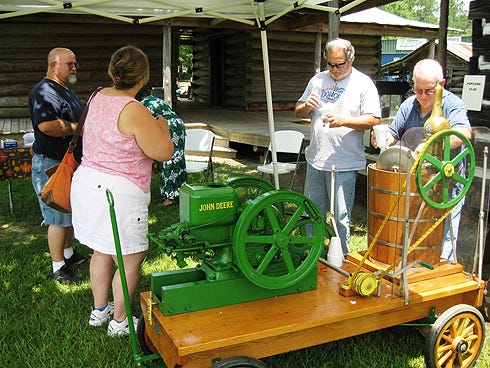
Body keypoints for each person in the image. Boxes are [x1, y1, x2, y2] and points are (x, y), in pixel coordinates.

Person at [70, 46, 173, 336]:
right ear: (142, 78)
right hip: (117, 192)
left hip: (88, 183)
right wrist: (162, 127)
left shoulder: (96, 96)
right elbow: (164, 152)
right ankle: (120, 321)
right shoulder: (134, 109)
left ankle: (99, 310)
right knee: (129, 259)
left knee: (101, 251)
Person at [372, 58, 472, 263]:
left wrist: (432, 145)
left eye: (429, 90)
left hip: (445, 185)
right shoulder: (409, 105)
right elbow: (393, 132)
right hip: (416, 184)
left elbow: (463, 134)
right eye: (418, 90)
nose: (423, 96)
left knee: (444, 235)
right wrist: (384, 138)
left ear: (441, 85)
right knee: (416, 231)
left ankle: (442, 270)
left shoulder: (452, 105)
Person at [295, 38, 381, 255]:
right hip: (316, 159)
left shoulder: (363, 83)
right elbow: (298, 110)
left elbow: (373, 119)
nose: (334, 69)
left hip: (344, 162)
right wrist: (306, 107)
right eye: (330, 64)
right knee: (310, 212)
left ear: (351, 60)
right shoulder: (317, 80)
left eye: (339, 64)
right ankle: (309, 255)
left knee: (340, 216)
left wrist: (345, 121)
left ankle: (341, 257)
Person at [29, 47, 90, 285]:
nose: (74, 67)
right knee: (57, 216)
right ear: (54, 65)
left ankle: (68, 254)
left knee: (67, 211)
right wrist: (78, 128)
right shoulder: (43, 91)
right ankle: (58, 267)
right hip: (50, 164)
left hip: (66, 162)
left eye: (75, 63)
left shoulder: (64, 89)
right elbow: (46, 126)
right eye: (70, 64)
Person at [140, 94, 187, 206]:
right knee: (178, 159)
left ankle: (170, 197)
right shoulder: (156, 100)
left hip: (169, 126)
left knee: (169, 161)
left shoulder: (141, 105)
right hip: (178, 124)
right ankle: (181, 192)